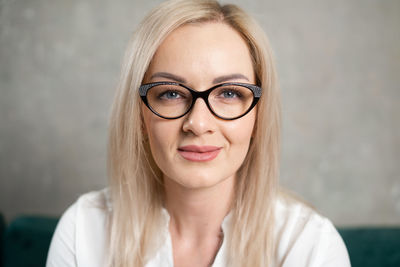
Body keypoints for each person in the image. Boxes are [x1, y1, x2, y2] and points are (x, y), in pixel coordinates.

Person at [46, 0, 350, 266]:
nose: (198, 123)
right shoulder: (83, 231)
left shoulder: (312, 248)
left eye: (230, 93)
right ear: (140, 116)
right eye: (170, 93)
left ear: (258, 116)